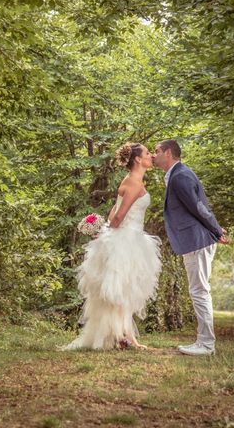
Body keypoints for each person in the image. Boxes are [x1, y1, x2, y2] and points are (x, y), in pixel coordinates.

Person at [63, 142, 162, 351]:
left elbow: (112, 213)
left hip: (128, 238)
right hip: (127, 240)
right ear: (137, 159)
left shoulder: (130, 180)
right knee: (121, 292)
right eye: (146, 153)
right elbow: (117, 217)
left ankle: (125, 337)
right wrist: (111, 229)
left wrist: (107, 229)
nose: (151, 155)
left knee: (124, 292)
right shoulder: (134, 183)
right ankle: (121, 337)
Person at [153, 140, 229, 356]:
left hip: (197, 240)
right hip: (195, 240)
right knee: (198, 290)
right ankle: (203, 341)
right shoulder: (177, 175)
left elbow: (199, 207)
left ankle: (206, 344)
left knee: (199, 291)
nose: (153, 155)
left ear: (168, 153)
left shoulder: (180, 176)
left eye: (156, 151)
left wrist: (217, 230)